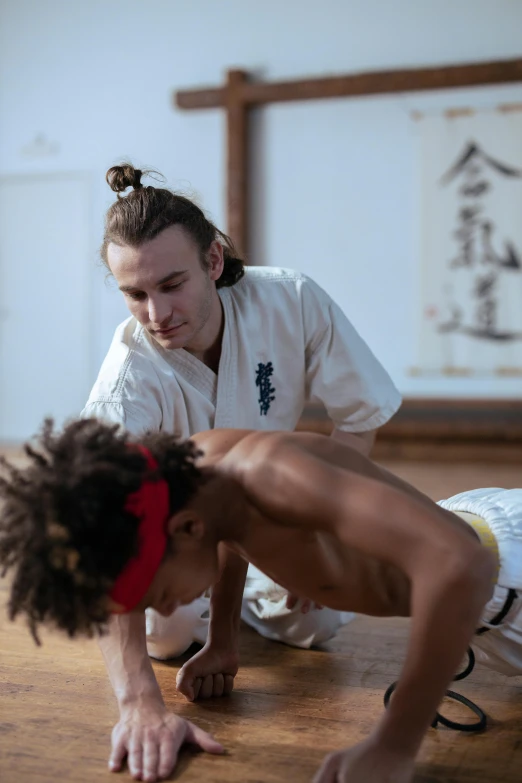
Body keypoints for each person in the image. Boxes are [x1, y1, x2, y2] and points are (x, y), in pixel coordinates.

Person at [79, 163, 402, 772]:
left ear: (213, 260)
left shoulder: (289, 299)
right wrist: (138, 701)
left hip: (273, 506)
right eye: (135, 294)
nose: (157, 313)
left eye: (172, 283)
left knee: (324, 621)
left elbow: (361, 412)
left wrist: (320, 525)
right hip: (181, 536)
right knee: (169, 636)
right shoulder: (127, 386)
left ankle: (243, 603)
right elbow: (108, 543)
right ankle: (209, 613)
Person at [2, 419, 518, 783]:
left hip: (504, 579)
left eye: (157, 595)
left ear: (185, 529)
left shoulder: (272, 474)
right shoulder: (203, 474)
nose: (163, 611)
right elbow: (227, 536)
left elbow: (460, 565)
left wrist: (393, 745)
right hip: (482, 570)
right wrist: (223, 639)